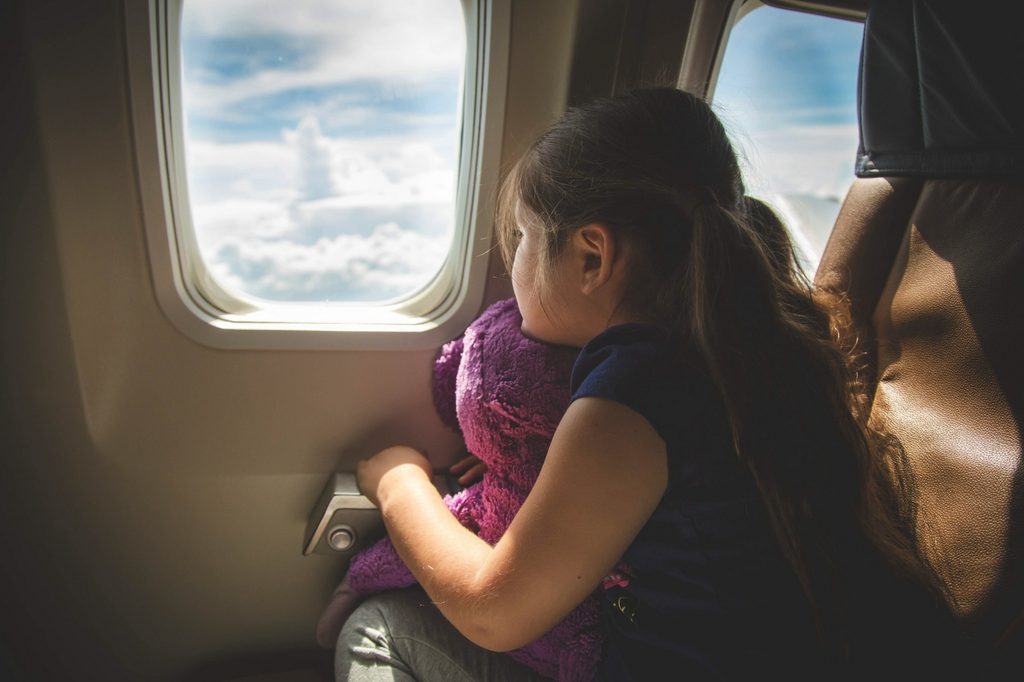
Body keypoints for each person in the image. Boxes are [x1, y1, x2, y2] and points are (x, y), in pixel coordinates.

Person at [336, 87, 974, 681]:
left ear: (592, 255)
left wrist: (399, 481)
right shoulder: (731, 352)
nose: (514, 259)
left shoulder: (633, 392)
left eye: (525, 237)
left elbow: (494, 612)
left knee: (380, 630)